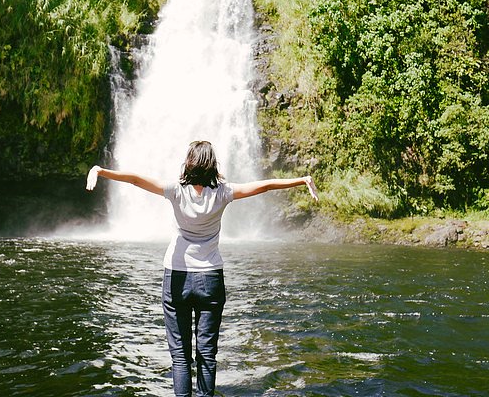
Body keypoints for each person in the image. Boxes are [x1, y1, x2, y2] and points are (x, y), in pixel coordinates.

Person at [86, 140, 318, 397]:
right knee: (207, 354)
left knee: (180, 355)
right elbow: (264, 185)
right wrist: (301, 180)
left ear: (189, 163)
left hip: (176, 277)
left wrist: (100, 171)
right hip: (210, 278)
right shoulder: (224, 192)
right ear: (212, 165)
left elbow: (135, 180)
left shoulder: (175, 191)